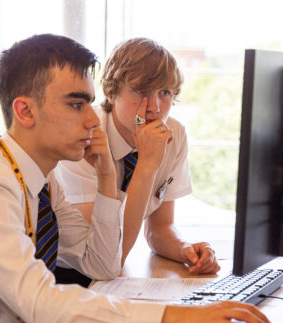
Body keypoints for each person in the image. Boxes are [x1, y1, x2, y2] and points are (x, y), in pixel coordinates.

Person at [0, 34, 271, 323]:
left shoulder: (43, 179)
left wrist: (107, 176)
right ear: (25, 111)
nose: (94, 121)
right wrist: (178, 317)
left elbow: (102, 266)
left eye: (90, 104)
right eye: (77, 105)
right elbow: (42, 305)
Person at [56, 37, 220, 276]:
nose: (154, 107)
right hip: (67, 271)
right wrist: (146, 167)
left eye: (165, 92)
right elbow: (109, 252)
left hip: (110, 274)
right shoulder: (85, 134)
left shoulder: (173, 134)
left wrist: (186, 250)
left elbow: (160, 228)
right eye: (141, 91)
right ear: (111, 93)